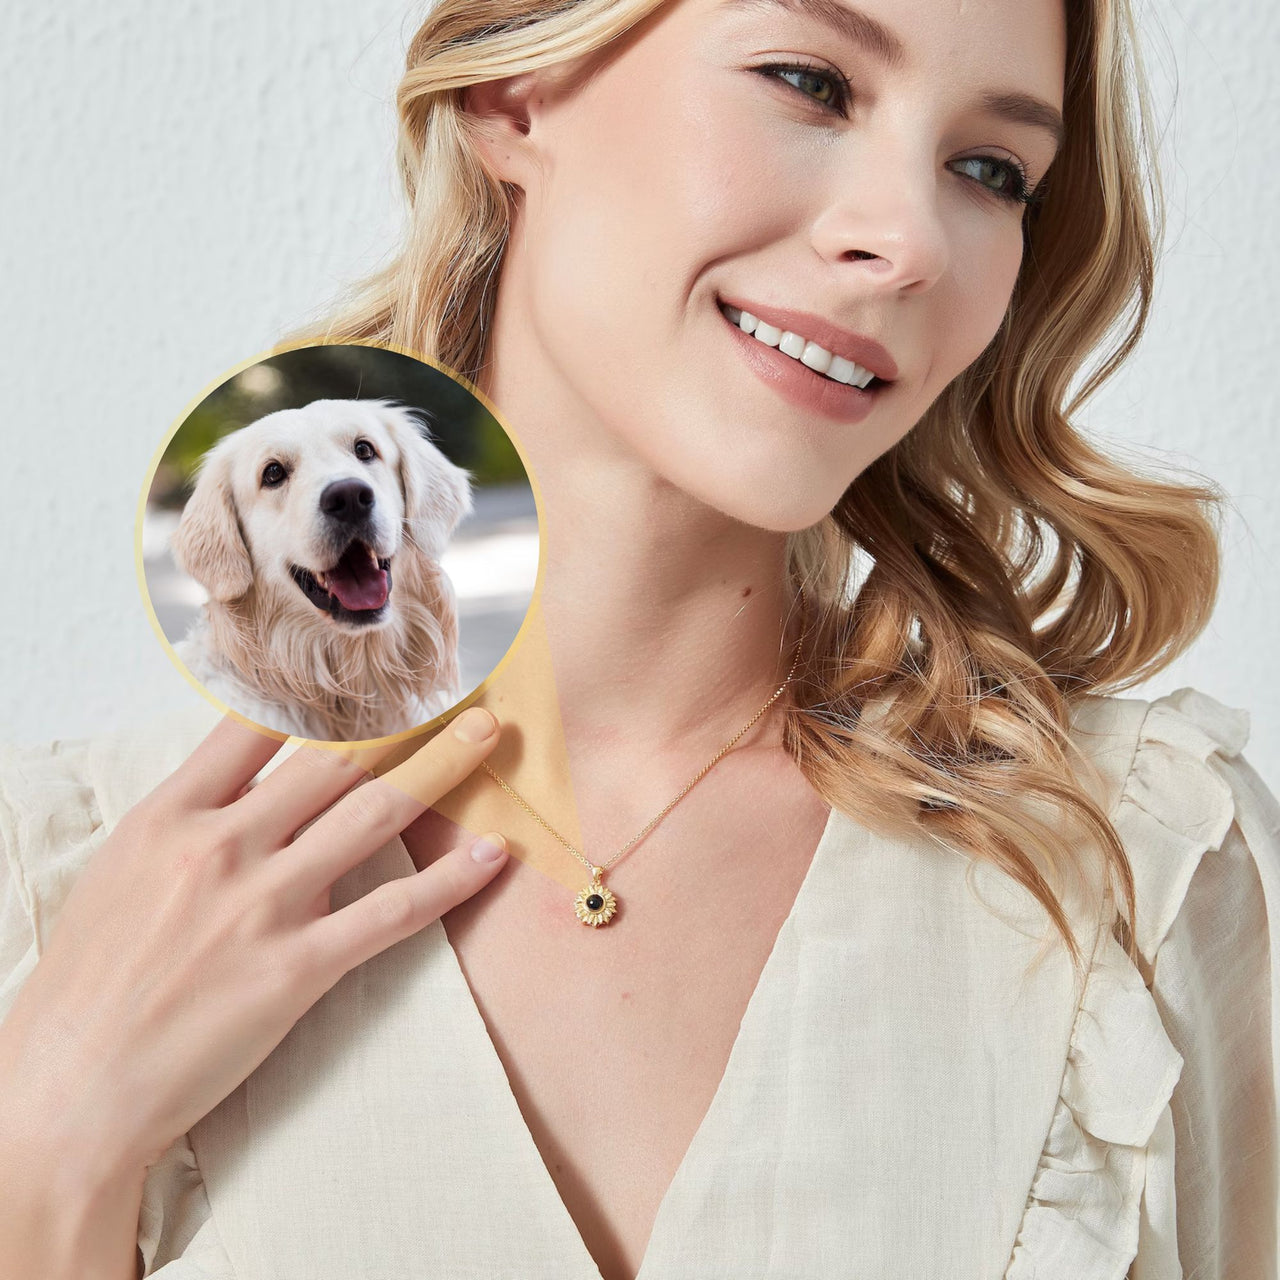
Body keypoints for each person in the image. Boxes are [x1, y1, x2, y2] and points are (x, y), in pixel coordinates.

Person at [1, 0, 1277, 1277]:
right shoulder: (61, 891)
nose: (906, 242)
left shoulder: (1135, 869)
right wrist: (53, 1136)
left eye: (988, 171)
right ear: (517, 95)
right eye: (810, 83)